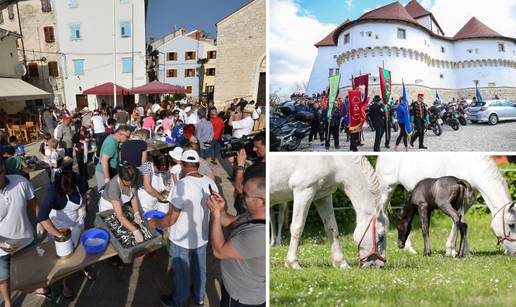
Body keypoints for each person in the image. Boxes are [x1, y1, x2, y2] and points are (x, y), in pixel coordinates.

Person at [148, 150, 218, 307]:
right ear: (198, 165)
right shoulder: (209, 182)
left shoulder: (181, 185)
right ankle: (199, 298)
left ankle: (179, 301)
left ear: (183, 166)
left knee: (181, 274)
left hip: (182, 239)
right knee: (200, 270)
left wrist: (154, 223)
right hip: (202, 236)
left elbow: (171, 218)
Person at [207, 177, 266, 307]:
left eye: (245, 194)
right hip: (233, 287)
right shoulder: (252, 214)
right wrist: (221, 211)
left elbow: (219, 251)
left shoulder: (259, 236)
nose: (240, 196)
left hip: (240, 298)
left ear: (261, 202)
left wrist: (216, 215)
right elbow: (231, 223)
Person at [36, 170, 94, 298]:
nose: (68, 193)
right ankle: (64, 283)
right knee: (64, 255)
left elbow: (83, 193)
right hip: (59, 225)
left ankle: (82, 268)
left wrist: (84, 207)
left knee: (80, 247)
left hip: (76, 220)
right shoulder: (52, 192)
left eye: (70, 190)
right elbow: (42, 216)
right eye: (65, 192)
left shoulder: (79, 180)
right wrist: (59, 235)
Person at [0, 158, 40, 307]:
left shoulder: (20, 181)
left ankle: (38, 287)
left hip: (26, 239)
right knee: (3, 278)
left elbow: (34, 203)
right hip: (0, 249)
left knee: (32, 268)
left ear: (3, 169)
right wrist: (2, 242)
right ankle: (8, 302)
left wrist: (41, 222)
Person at [98, 165, 144, 242]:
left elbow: (133, 196)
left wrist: (136, 212)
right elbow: (119, 215)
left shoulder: (131, 178)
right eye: (127, 185)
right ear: (121, 178)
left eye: (131, 184)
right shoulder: (114, 187)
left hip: (120, 205)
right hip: (108, 208)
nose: (130, 186)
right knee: (111, 234)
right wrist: (135, 231)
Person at [234, 133, 265, 215]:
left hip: (248, 215)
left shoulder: (262, 169)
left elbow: (240, 189)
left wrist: (241, 165)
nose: (254, 149)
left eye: (257, 147)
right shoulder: (259, 163)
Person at [95, 125, 131, 191]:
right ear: (120, 134)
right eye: (127, 137)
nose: (128, 139)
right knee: (105, 195)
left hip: (109, 171)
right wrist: (107, 178)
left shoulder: (113, 139)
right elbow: (104, 161)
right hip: (104, 173)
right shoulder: (112, 143)